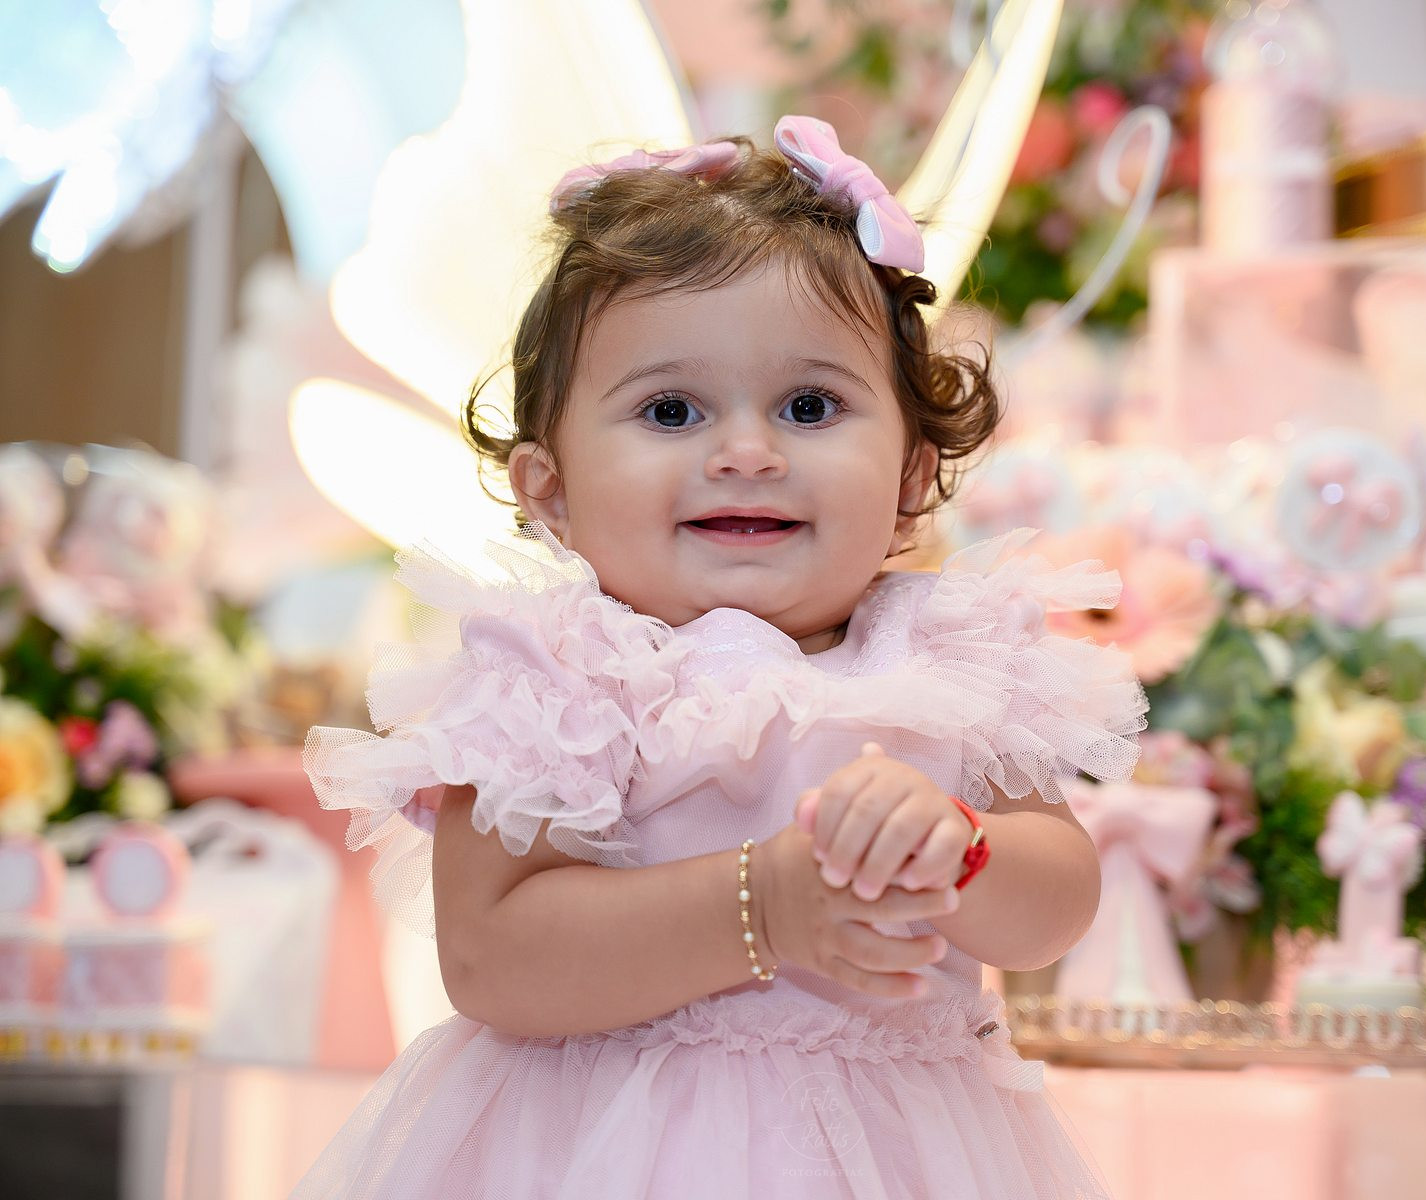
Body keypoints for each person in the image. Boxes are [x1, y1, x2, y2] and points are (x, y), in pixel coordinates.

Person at [297, 114, 1144, 1198]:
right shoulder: (561, 676)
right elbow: (490, 956)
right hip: (601, 1154)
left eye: (809, 406)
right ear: (549, 489)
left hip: (900, 1157)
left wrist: (960, 853)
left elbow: (1056, 907)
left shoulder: (949, 657)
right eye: (670, 410)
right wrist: (762, 906)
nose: (746, 452)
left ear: (909, 474)